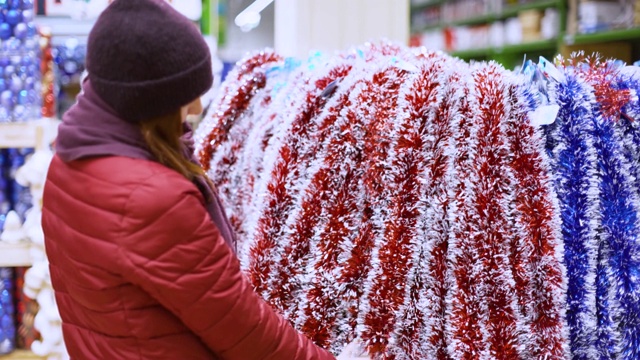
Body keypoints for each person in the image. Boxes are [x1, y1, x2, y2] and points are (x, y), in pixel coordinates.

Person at [42, 0, 362, 358]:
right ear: (146, 101)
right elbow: (245, 330)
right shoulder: (152, 199)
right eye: (184, 96)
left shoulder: (68, 161)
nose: (195, 109)